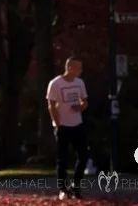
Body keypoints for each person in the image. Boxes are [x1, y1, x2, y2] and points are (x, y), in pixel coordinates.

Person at [46, 57, 89, 200]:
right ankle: (63, 189)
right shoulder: (55, 83)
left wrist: (81, 106)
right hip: (62, 125)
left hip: (77, 124)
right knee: (62, 159)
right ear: (70, 67)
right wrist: (57, 124)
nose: (81, 71)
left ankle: (76, 187)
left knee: (83, 156)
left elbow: (85, 101)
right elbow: (51, 105)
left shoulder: (79, 83)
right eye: (79, 68)